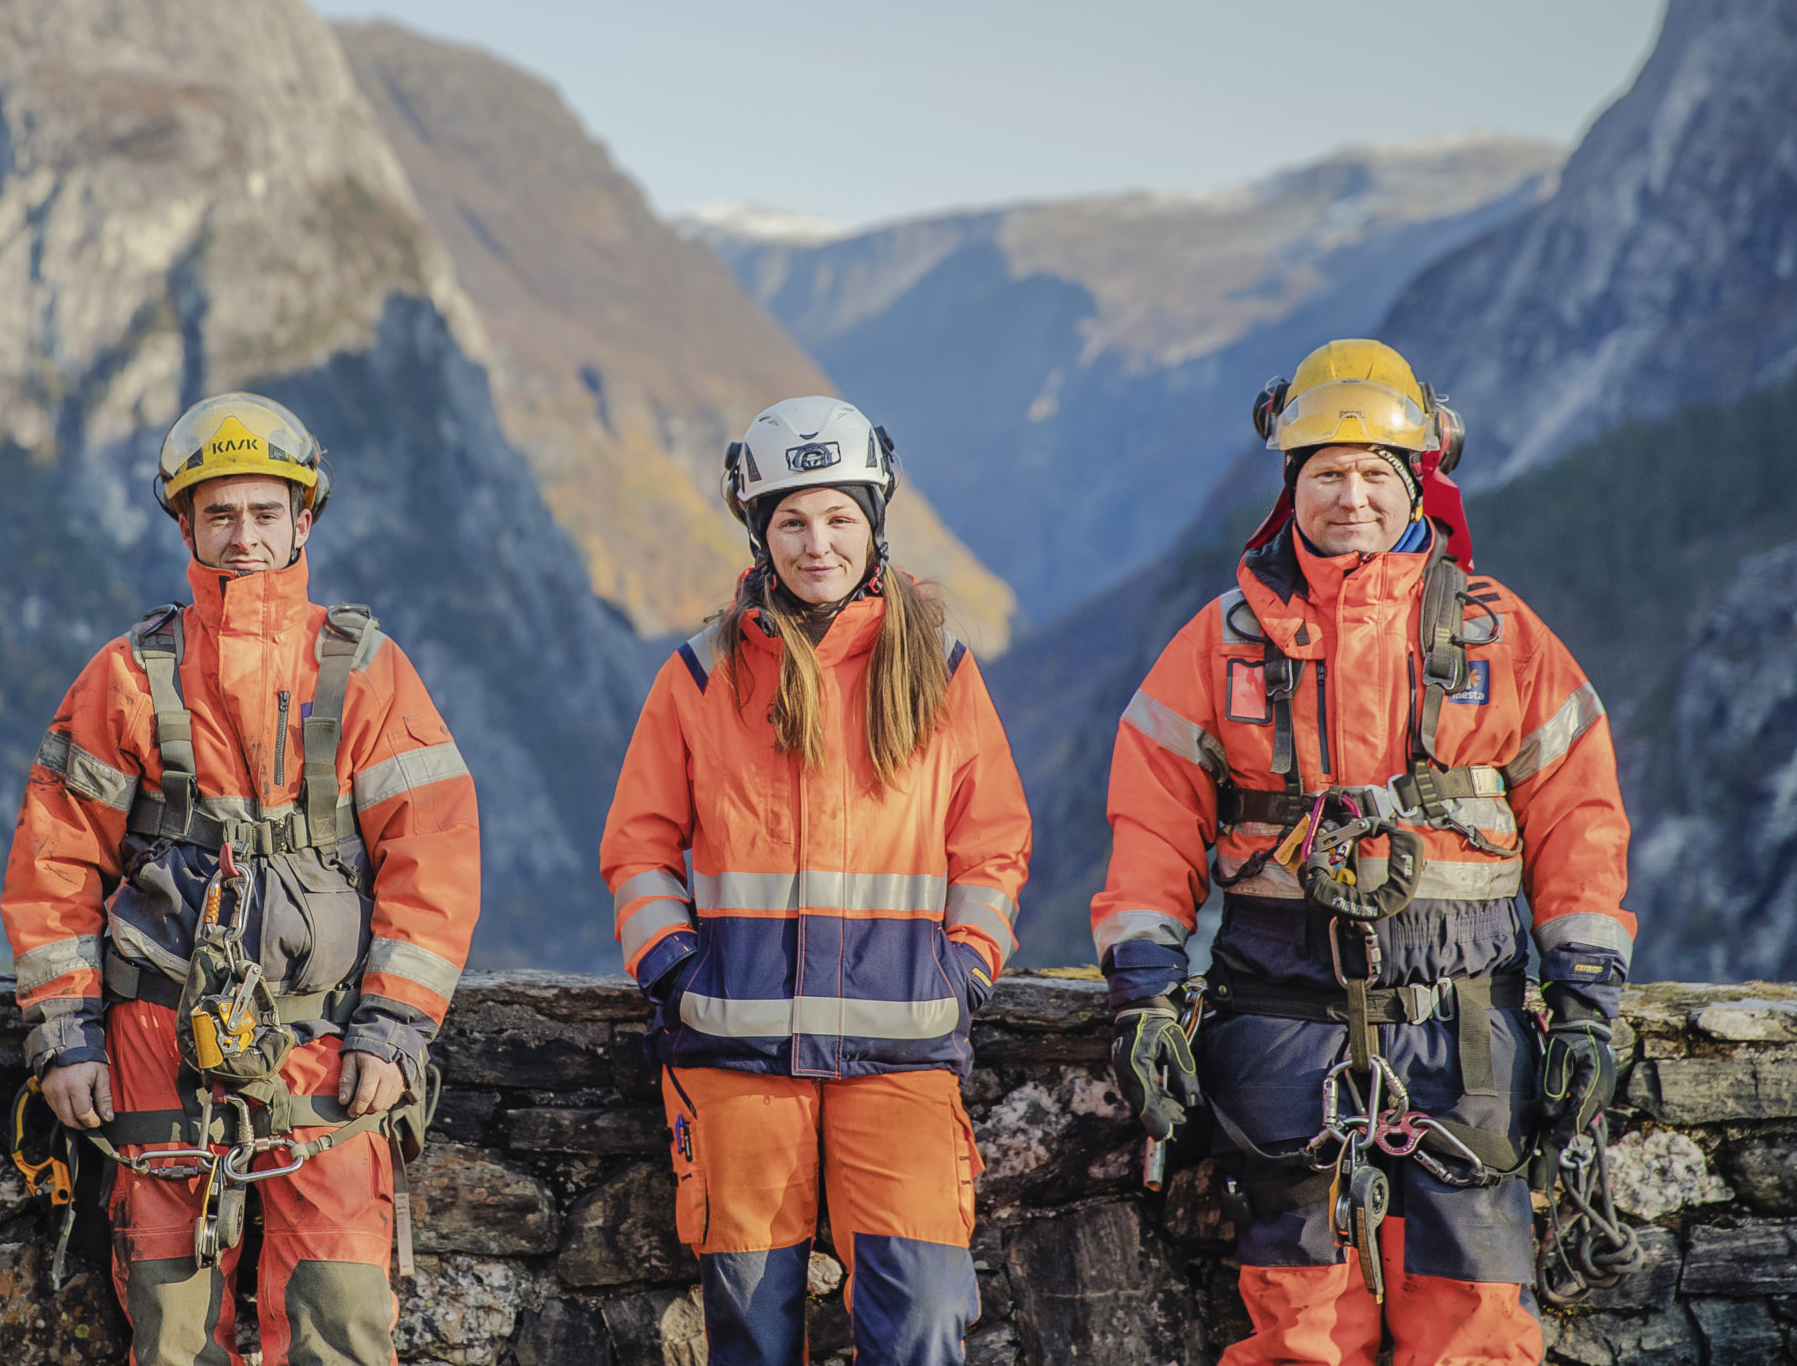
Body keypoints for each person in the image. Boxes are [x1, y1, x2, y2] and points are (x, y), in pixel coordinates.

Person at [1094, 339, 1634, 1365]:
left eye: (1374, 475)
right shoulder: (1216, 645)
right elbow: (1151, 830)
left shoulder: (1500, 638)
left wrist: (1585, 1008)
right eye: (1327, 474)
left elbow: (1579, 822)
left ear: (1416, 483)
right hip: (1278, 1028)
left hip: (1467, 1031)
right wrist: (1144, 999)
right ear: (1290, 486)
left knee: (1471, 1327)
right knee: (1300, 1329)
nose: (1351, 497)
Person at [2, 392, 480, 1366]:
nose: (244, 536)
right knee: (172, 1334)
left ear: (305, 519)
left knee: (341, 1323)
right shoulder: (124, 678)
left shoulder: (367, 674)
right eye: (220, 514)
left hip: (326, 1041)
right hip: (149, 1040)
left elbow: (433, 861)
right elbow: (54, 866)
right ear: (185, 522)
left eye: (266, 513)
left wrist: (391, 1027)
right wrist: (64, 1033)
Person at [601, 395, 1033, 1366]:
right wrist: (676, 970)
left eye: (838, 517)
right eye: (791, 520)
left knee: (923, 1317)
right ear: (757, 529)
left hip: (904, 1055)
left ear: (873, 523)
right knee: (751, 1334)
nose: (816, 543)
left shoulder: (937, 670)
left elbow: (993, 841)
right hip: (735, 1058)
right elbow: (638, 843)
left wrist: (963, 968)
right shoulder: (702, 675)